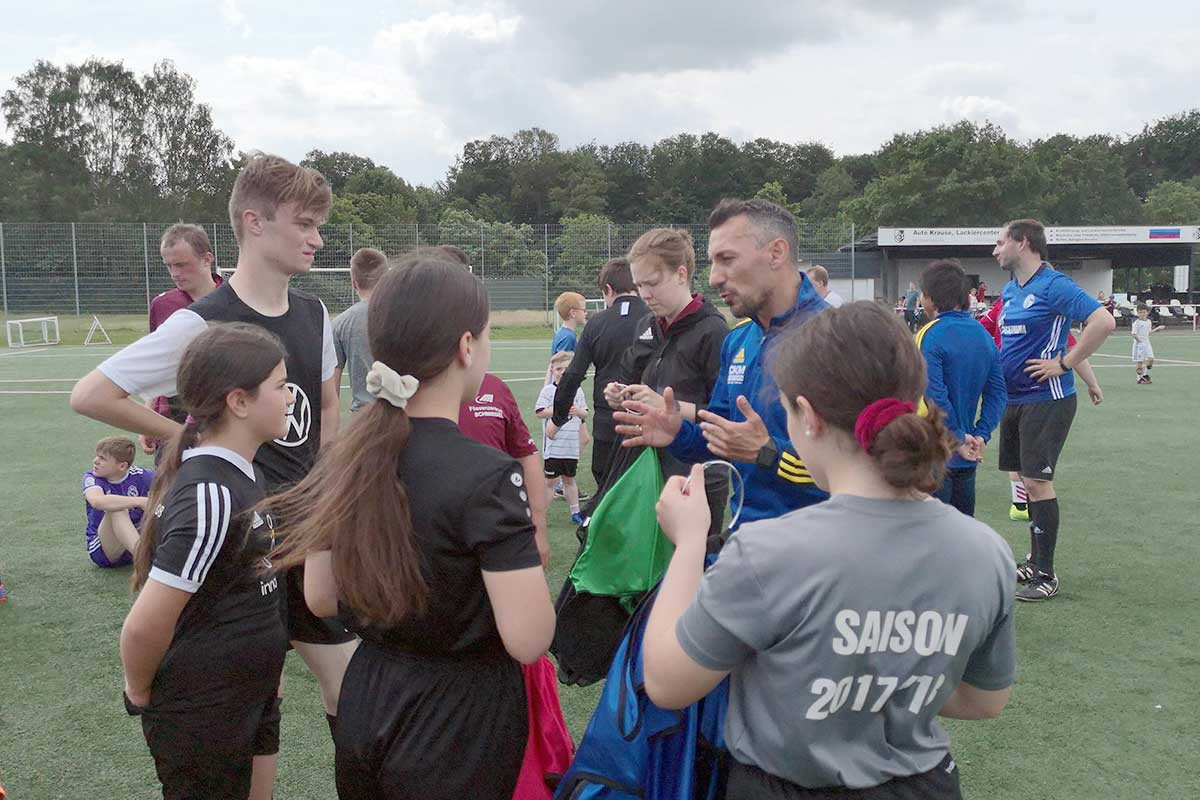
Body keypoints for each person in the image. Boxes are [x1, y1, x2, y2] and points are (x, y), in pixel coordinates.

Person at [643, 301, 1014, 799]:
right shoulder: (986, 550)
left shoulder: (767, 551)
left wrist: (689, 544)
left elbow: (667, 683)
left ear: (809, 418)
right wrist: (883, 679)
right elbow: (985, 699)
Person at [70, 153, 356, 762]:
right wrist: (185, 439)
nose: (316, 237)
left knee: (351, 684)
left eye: (317, 225)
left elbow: (328, 410)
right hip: (237, 545)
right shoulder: (204, 322)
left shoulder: (314, 312)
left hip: (307, 536)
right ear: (254, 222)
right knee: (257, 702)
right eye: (303, 223)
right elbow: (93, 394)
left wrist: (328, 493)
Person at [265, 253, 556, 800]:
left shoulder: (347, 458)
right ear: (467, 346)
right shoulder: (487, 476)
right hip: (458, 717)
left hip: (368, 695)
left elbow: (321, 598)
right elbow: (529, 638)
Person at [120, 323, 290, 800]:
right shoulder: (211, 494)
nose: (291, 398)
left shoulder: (239, 471)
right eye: (280, 387)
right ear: (238, 401)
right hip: (206, 708)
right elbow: (142, 625)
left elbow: (243, 586)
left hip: (247, 693)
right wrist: (139, 694)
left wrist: (267, 672)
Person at [616, 198, 829, 528]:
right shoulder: (738, 340)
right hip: (746, 539)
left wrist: (768, 453)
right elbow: (721, 438)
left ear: (776, 253)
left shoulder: (839, 338)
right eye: (713, 262)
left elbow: (866, 464)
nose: (714, 278)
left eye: (727, 259)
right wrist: (678, 433)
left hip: (818, 548)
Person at [992, 219, 1115, 601]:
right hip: (1015, 401)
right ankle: (1033, 559)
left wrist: (1064, 364)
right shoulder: (1011, 291)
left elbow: (1103, 321)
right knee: (1025, 482)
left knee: (1038, 482)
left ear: (1022, 242)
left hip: (1047, 400)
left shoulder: (1054, 284)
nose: (994, 250)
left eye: (999, 242)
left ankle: (1046, 574)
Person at [606, 226, 729, 538]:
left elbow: (726, 418)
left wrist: (671, 409)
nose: (645, 294)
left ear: (681, 274)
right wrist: (623, 395)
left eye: (652, 282)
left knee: (692, 571)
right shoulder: (649, 324)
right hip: (649, 468)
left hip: (697, 474)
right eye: (638, 285)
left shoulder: (713, 331)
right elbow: (636, 381)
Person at [977, 293, 1104, 521]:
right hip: (1010, 395)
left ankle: (1021, 506)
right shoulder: (1006, 303)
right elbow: (978, 334)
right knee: (1017, 458)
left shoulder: (1046, 310)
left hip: (1041, 397)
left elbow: (1072, 350)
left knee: (1031, 468)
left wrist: (1092, 383)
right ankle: (1020, 505)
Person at [548, 258, 649, 488]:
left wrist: (558, 417)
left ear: (609, 290)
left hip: (608, 423)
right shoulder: (656, 318)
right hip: (647, 421)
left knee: (608, 491)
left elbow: (573, 375)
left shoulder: (596, 323)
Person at [915, 260, 1005, 516]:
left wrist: (957, 436)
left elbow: (933, 393)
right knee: (962, 535)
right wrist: (980, 434)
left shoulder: (928, 334)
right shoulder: (984, 336)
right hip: (968, 455)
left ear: (930, 298)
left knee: (931, 539)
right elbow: (997, 392)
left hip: (934, 453)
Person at [141, 224, 224, 457]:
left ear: (207, 259)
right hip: (171, 423)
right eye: (169, 265)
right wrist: (149, 417)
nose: (174, 273)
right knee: (168, 491)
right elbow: (157, 364)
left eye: (181, 265)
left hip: (224, 419)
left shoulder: (236, 300)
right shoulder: (162, 305)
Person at [83, 436, 154, 568]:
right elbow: (97, 501)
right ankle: (145, 559)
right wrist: (139, 501)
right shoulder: (92, 478)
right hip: (104, 551)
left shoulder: (141, 475)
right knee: (117, 509)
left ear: (122, 466)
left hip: (133, 542)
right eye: (97, 456)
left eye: (102, 458)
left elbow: (171, 486)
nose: (95, 461)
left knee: (162, 504)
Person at [333, 248, 389, 412]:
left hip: (363, 420)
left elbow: (331, 390)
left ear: (354, 283)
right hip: (404, 417)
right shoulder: (409, 316)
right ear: (386, 279)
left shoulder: (340, 324)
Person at [538, 351, 590, 527]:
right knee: (550, 483)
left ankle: (575, 512)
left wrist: (578, 412)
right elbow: (540, 411)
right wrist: (559, 409)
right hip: (554, 447)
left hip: (570, 447)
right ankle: (541, 514)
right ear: (552, 371)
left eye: (565, 369)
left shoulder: (578, 391)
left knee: (569, 480)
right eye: (558, 368)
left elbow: (585, 412)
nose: (561, 372)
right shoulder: (548, 391)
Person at [1132, 303, 1165, 384]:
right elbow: (1134, 334)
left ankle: (1146, 375)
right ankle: (1139, 378)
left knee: (1151, 359)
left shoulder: (1149, 321)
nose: (1142, 314)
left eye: (1144, 312)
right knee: (1140, 362)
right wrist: (1140, 341)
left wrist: (1157, 328)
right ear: (1137, 313)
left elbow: (1148, 332)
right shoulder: (1136, 323)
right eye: (1140, 312)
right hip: (1139, 345)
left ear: (1147, 312)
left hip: (1147, 343)